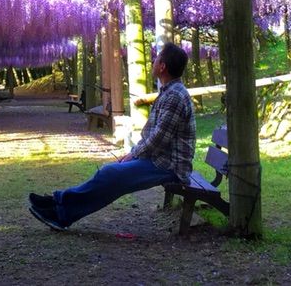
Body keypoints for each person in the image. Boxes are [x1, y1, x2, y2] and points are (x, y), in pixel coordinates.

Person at [28, 42, 195, 231]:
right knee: (109, 173)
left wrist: (134, 154)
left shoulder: (174, 96)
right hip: (160, 159)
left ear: (162, 66)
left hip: (170, 166)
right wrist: (135, 152)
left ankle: (61, 213)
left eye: (156, 58)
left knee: (111, 174)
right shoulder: (169, 92)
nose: (153, 61)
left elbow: (159, 138)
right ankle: (59, 203)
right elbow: (155, 136)